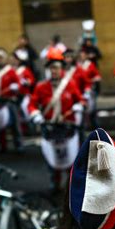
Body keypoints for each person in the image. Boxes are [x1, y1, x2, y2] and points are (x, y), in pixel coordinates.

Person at [27, 51, 85, 191]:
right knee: (52, 160)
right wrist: (35, 114)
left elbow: (81, 100)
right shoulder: (41, 87)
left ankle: (73, 186)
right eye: (51, 68)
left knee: (72, 160)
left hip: (68, 128)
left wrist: (79, 105)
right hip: (50, 129)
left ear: (62, 69)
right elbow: (32, 104)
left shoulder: (70, 85)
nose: (54, 71)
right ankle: (55, 183)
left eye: (57, 67)